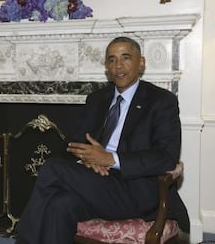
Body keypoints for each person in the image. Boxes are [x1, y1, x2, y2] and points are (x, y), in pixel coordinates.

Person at [15, 37, 189, 244]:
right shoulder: (97, 99)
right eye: (111, 60)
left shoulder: (161, 101)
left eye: (126, 58)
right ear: (106, 66)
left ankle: (22, 240)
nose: (118, 66)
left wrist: (110, 159)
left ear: (141, 62)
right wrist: (86, 159)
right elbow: (71, 144)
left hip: (135, 192)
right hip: (96, 183)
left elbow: (166, 157)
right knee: (60, 204)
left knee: (52, 168)